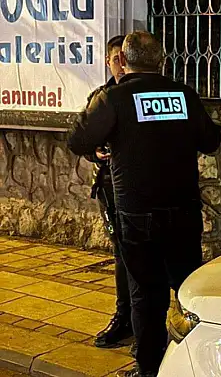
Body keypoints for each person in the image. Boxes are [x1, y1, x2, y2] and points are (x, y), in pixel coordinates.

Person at [67, 31, 221, 377]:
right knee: (190, 291)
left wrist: (102, 145)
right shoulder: (184, 95)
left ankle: (150, 369)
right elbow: (211, 141)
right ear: (161, 60)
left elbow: (77, 139)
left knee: (146, 296)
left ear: (123, 60)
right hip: (183, 211)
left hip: (138, 215)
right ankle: (197, 363)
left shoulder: (112, 98)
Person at [81, 35, 135, 350]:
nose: (122, 66)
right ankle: (124, 316)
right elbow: (84, 141)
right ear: (108, 61)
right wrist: (96, 153)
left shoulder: (142, 95)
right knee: (121, 253)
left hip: (139, 188)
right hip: (110, 187)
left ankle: (144, 320)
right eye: (117, 59)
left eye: (126, 59)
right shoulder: (100, 98)